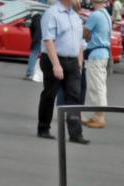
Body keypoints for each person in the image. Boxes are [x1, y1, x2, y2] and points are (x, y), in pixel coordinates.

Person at [37, 0, 87, 143]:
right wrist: (56, 65)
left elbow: (79, 42)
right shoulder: (52, 13)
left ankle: (76, 134)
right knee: (50, 94)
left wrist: (79, 62)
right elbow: (48, 40)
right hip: (54, 59)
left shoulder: (75, 16)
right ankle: (43, 128)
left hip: (72, 61)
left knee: (74, 97)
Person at [82, 0, 111, 128]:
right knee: (99, 85)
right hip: (103, 53)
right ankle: (97, 116)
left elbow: (84, 33)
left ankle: (99, 117)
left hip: (96, 53)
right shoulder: (106, 14)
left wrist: (88, 36)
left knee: (96, 87)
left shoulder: (95, 15)